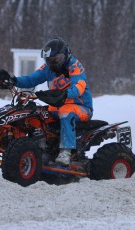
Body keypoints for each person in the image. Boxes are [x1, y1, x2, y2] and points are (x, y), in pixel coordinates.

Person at [10, 37, 93, 166]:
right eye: (49, 60)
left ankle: (66, 152)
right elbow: (32, 79)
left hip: (81, 107)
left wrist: (65, 94)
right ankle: (37, 146)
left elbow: (79, 86)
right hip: (57, 105)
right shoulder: (48, 68)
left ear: (65, 55)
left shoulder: (75, 66)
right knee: (35, 113)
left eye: (56, 59)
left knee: (66, 111)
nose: (52, 63)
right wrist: (13, 81)